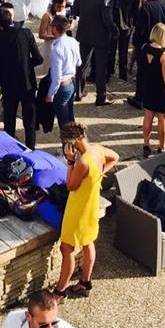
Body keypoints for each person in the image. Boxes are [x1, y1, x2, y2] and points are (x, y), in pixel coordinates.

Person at [55, 122, 119, 298]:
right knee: (88, 241)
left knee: (66, 248)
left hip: (78, 208)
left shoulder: (82, 162)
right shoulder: (97, 150)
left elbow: (71, 185)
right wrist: (99, 174)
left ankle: (59, 291)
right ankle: (85, 282)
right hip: (92, 205)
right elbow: (115, 157)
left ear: (71, 141)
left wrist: (70, 161)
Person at [0, 10, 43, 147]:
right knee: (29, 120)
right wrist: (26, 65)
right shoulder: (26, 33)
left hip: (9, 84)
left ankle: (10, 147)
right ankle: (31, 147)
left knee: (9, 119)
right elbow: (38, 59)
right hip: (27, 82)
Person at [128, 0, 165, 109]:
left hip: (148, 45)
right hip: (164, 44)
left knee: (143, 73)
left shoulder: (146, 6)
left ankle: (140, 98)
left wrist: (137, 45)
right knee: (162, 74)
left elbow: (140, 29)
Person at [72, 0, 116, 106]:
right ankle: (101, 97)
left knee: (82, 64)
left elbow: (76, 12)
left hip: (84, 32)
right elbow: (107, 20)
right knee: (100, 67)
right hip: (100, 36)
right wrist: (115, 31)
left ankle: (78, 92)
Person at [140, 23, 165, 156]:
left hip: (147, 86)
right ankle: (162, 147)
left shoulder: (144, 47)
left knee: (148, 116)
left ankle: (146, 143)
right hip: (161, 89)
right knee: (162, 119)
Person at [109, 0, 140, 81]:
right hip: (128, 22)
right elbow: (137, 7)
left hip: (113, 21)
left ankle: (110, 70)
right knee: (124, 49)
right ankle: (123, 73)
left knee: (111, 48)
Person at [47, 16, 81, 127]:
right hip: (72, 83)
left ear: (56, 28)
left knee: (64, 123)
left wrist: (50, 94)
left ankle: (68, 144)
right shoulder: (73, 41)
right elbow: (79, 62)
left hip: (62, 87)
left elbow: (57, 76)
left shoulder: (56, 49)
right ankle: (75, 143)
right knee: (70, 118)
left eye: (52, 26)